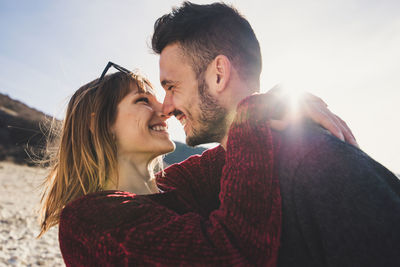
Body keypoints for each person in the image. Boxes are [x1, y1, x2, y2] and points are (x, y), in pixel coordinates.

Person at [151, 2, 400, 267]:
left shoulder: (315, 161)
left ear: (218, 75)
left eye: (172, 86)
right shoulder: (225, 176)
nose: (166, 108)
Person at [39, 61, 350, 266]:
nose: (165, 111)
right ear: (99, 123)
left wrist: (284, 98)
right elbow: (231, 255)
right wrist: (254, 112)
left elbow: (239, 153)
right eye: (142, 100)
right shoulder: (87, 219)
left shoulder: (177, 184)